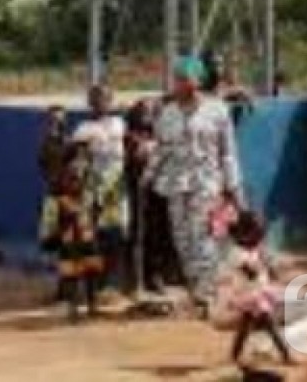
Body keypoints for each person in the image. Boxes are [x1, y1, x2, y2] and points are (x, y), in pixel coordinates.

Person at [152, 57, 244, 312]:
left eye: (183, 79)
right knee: (182, 240)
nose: (178, 84)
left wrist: (234, 187)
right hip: (175, 184)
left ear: (197, 82)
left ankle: (207, 293)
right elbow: (161, 149)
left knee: (202, 236)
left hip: (206, 184)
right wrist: (148, 175)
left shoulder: (217, 110)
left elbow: (228, 153)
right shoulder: (167, 113)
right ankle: (197, 287)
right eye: (177, 78)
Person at [71, 84, 128, 296]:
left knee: (116, 234)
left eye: (105, 99)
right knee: (92, 236)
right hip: (94, 187)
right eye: (95, 99)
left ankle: (112, 283)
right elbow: (79, 160)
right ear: (89, 103)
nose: (100, 103)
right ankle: (92, 284)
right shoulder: (83, 129)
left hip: (117, 187)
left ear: (111, 101)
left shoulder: (120, 124)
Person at [39, 143, 104, 322]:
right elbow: (54, 206)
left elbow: (98, 203)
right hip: (68, 231)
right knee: (71, 272)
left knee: (92, 268)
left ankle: (92, 305)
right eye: (78, 158)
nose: (81, 162)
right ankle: (72, 308)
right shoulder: (60, 180)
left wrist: (93, 218)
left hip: (87, 230)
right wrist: (54, 229)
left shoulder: (92, 178)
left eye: (84, 158)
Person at [125, 96, 181, 294]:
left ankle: (162, 276)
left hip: (162, 192)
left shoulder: (162, 135)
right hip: (140, 195)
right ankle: (138, 281)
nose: (149, 115)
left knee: (162, 234)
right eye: (144, 112)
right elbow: (139, 158)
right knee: (141, 235)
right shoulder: (132, 137)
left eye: (152, 111)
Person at [226, 207, 292, 369]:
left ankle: (234, 354)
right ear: (243, 234)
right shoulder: (237, 253)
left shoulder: (253, 249)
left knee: (245, 325)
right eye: (256, 234)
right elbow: (251, 273)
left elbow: (263, 269)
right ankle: (285, 354)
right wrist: (262, 265)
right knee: (269, 324)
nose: (259, 239)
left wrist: (269, 268)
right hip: (249, 295)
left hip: (257, 293)